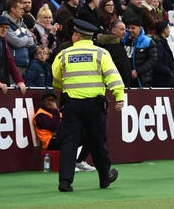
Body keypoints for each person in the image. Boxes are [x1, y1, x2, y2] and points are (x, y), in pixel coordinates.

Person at [51, 19, 124, 192]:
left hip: (71, 105)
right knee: (98, 141)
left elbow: (56, 78)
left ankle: (65, 181)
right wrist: (119, 97)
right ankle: (104, 178)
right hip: (94, 105)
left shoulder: (64, 54)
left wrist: (65, 88)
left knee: (69, 142)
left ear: (76, 35)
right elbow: (113, 76)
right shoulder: (101, 54)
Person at [33, 89, 97, 173]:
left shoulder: (58, 112)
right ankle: (69, 165)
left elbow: (66, 124)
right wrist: (55, 110)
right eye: (48, 100)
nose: (50, 103)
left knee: (89, 135)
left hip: (60, 136)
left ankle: (80, 161)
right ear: (43, 101)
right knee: (68, 138)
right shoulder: (40, 115)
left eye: (52, 100)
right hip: (49, 142)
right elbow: (54, 126)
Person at [122, 18, 157, 87]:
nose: (130, 30)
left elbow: (153, 60)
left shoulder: (148, 41)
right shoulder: (123, 40)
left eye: (133, 28)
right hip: (125, 78)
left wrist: (138, 71)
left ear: (140, 28)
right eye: (128, 28)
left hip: (141, 79)